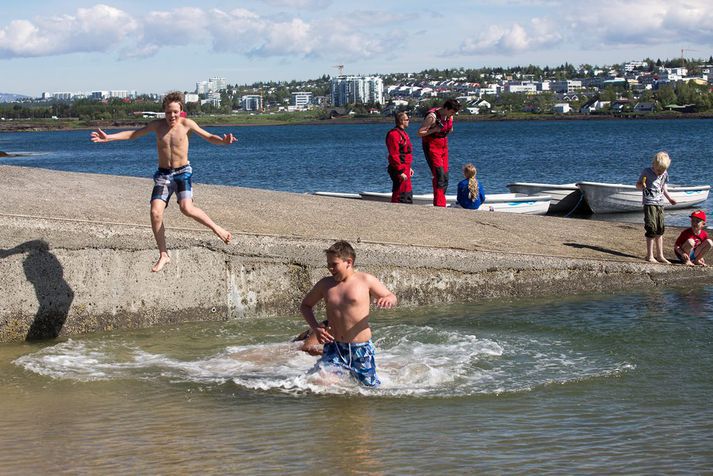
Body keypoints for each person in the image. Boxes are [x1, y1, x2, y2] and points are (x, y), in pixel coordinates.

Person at [90, 91, 236, 272]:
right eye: (168, 112)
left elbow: (208, 137)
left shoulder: (187, 124)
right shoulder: (157, 126)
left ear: (181, 110)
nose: (171, 116)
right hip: (163, 174)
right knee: (155, 212)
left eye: (175, 112)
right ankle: (163, 254)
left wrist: (223, 141)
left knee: (186, 208)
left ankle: (217, 229)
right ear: (164, 112)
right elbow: (133, 135)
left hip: (183, 172)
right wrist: (109, 137)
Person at [299, 240, 397, 387]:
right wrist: (316, 328)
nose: (330, 268)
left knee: (368, 389)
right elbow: (305, 306)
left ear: (348, 262)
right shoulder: (325, 284)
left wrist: (387, 299)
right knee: (322, 382)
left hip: (360, 348)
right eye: (328, 264)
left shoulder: (365, 280)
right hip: (334, 346)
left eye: (334, 264)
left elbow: (391, 296)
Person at [635, 151, 677, 264]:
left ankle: (660, 255)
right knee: (651, 228)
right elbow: (637, 185)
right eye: (658, 170)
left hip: (660, 203)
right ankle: (649, 255)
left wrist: (669, 198)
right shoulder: (646, 171)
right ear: (653, 164)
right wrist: (642, 185)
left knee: (660, 229)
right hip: (649, 203)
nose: (660, 173)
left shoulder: (664, 173)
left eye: (662, 171)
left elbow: (664, 187)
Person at [418, 98, 461, 207]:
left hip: (443, 146)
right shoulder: (432, 117)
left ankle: (441, 200)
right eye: (452, 112)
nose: (453, 114)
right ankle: (439, 204)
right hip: (431, 146)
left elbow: (450, 129)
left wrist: (447, 127)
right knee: (439, 175)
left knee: (445, 177)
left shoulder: (449, 116)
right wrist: (434, 130)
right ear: (446, 108)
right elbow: (420, 132)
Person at [385, 111, 414, 204]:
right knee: (399, 192)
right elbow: (394, 154)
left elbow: (405, 153)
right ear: (401, 121)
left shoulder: (403, 133)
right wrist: (400, 171)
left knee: (407, 191)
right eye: (407, 119)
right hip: (399, 168)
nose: (409, 121)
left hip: (405, 166)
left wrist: (409, 168)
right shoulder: (394, 134)